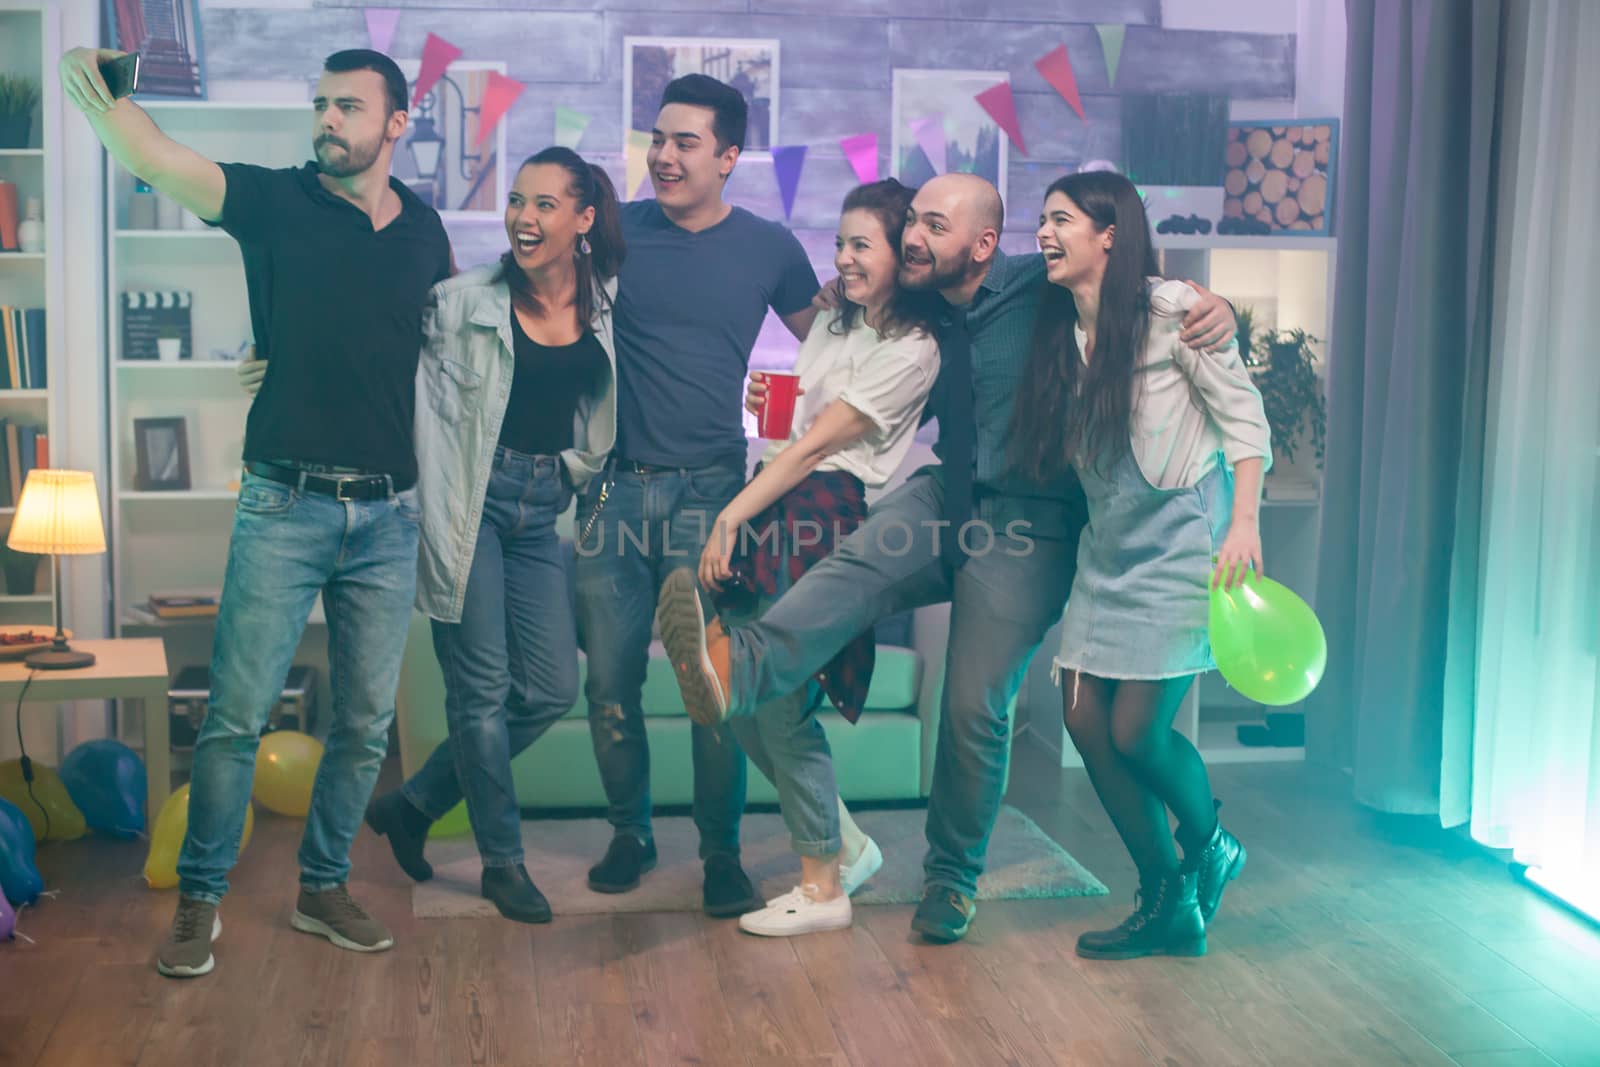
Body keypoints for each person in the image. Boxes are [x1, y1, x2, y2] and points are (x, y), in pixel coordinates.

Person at [658, 171, 1238, 943]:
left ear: (984, 244)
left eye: (933, 225)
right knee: (849, 573)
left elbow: (1139, 285)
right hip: (946, 496)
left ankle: (952, 877)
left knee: (974, 705)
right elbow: (853, 298)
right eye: (912, 226)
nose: (913, 239)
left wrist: (1221, 307)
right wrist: (843, 283)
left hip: (1030, 527)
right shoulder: (921, 297)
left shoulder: (1042, 284)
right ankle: (733, 670)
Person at [60, 46, 452, 977]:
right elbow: (153, 155)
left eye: (348, 107)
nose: (327, 120)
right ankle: (200, 901)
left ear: (397, 123)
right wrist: (95, 84)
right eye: (319, 104)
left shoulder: (427, 233)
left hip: (389, 514)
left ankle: (323, 887)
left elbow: (434, 359)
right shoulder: (275, 202)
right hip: (284, 501)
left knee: (362, 726)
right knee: (235, 716)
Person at [575, 74, 822, 917]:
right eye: (658, 138)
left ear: (728, 157)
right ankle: (629, 833)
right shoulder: (612, 233)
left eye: (687, 143)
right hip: (612, 492)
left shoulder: (769, 246)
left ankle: (720, 852)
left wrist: (781, 403)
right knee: (607, 683)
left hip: (712, 497)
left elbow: (841, 348)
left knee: (707, 683)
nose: (666, 156)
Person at [668, 177, 939, 937]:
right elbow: (791, 429)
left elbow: (821, 446)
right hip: (775, 491)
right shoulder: (834, 320)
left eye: (863, 245)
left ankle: (825, 887)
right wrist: (766, 407)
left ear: (901, 253)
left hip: (822, 513)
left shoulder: (915, 348)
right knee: (737, 702)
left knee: (779, 699)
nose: (845, 258)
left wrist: (728, 518)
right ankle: (847, 844)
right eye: (840, 242)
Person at [359, 148, 623, 925]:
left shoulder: (605, 306)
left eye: (544, 204)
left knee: (548, 688)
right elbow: (374, 347)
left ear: (582, 219)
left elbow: (599, 406)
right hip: (466, 503)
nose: (523, 218)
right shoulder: (459, 300)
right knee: (479, 690)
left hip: (544, 507)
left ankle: (413, 804)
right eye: (516, 201)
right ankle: (502, 863)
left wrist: (578, 471)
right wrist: (269, 354)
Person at [1015, 171, 1266, 960]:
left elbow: (1244, 419)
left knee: (1136, 733)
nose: (1045, 234)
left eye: (1061, 220)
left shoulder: (1175, 311)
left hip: (1183, 543)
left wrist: (1246, 525)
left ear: (1110, 233)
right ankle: (1167, 893)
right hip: (1109, 544)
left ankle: (1210, 843)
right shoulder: (1061, 322)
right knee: (1085, 720)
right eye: (1042, 220)